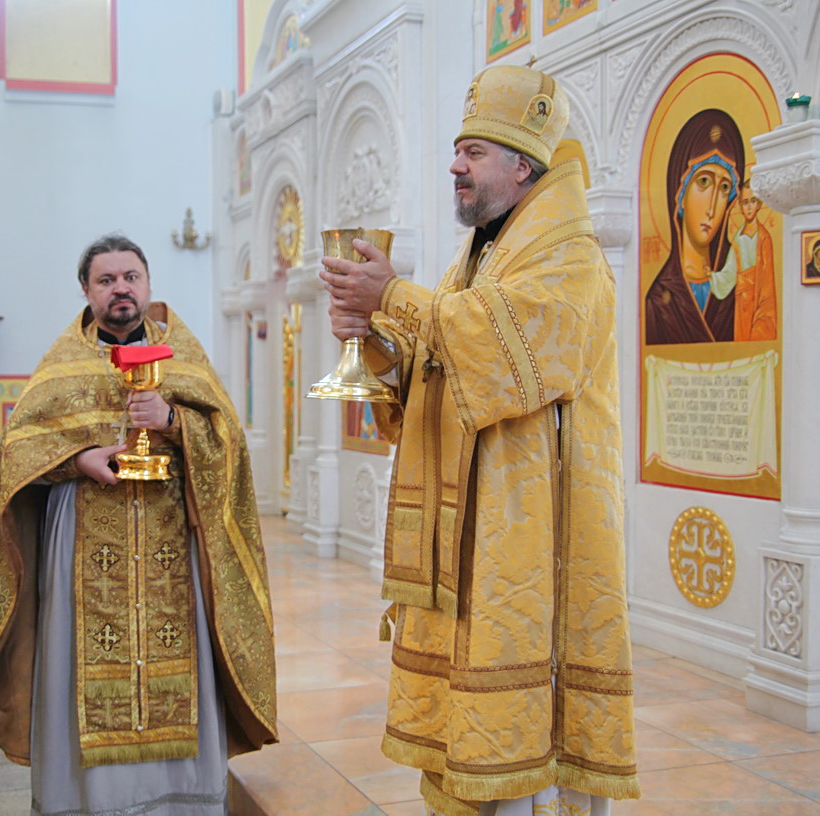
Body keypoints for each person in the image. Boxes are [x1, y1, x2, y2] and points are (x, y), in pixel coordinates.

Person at [320, 65, 639, 815]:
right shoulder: (482, 255)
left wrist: (394, 298)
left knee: (524, 733)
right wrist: (378, 344)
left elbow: (514, 351)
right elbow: (447, 366)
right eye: (455, 152)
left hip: (530, 533)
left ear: (521, 165)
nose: (455, 167)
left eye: (472, 153)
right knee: (469, 717)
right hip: (476, 527)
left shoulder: (569, 256)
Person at [0, 235, 277, 816]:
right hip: (81, 552)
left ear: (148, 286)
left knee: (182, 667)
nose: (121, 288)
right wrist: (76, 459)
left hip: (171, 549)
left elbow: (230, 447)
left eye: (131, 277)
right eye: (107, 280)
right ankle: (87, 801)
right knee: (76, 663)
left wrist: (174, 419)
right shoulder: (61, 367)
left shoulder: (185, 358)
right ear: (87, 291)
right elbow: (13, 459)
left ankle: (178, 801)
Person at [644, 108, 745, 344]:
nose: (712, 208)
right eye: (703, 182)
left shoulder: (740, 289)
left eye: (724, 188)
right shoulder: (658, 301)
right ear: (679, 195)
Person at [718, 180, 777, 340]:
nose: (749, 207)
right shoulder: (738, 237)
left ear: (759, 204)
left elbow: (767, 280)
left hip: (758, 297)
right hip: (741, 301)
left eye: (752, 201)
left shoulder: (764, 238)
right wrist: (711, 277)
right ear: (740, 206)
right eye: (745, 203)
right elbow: (730, 271)